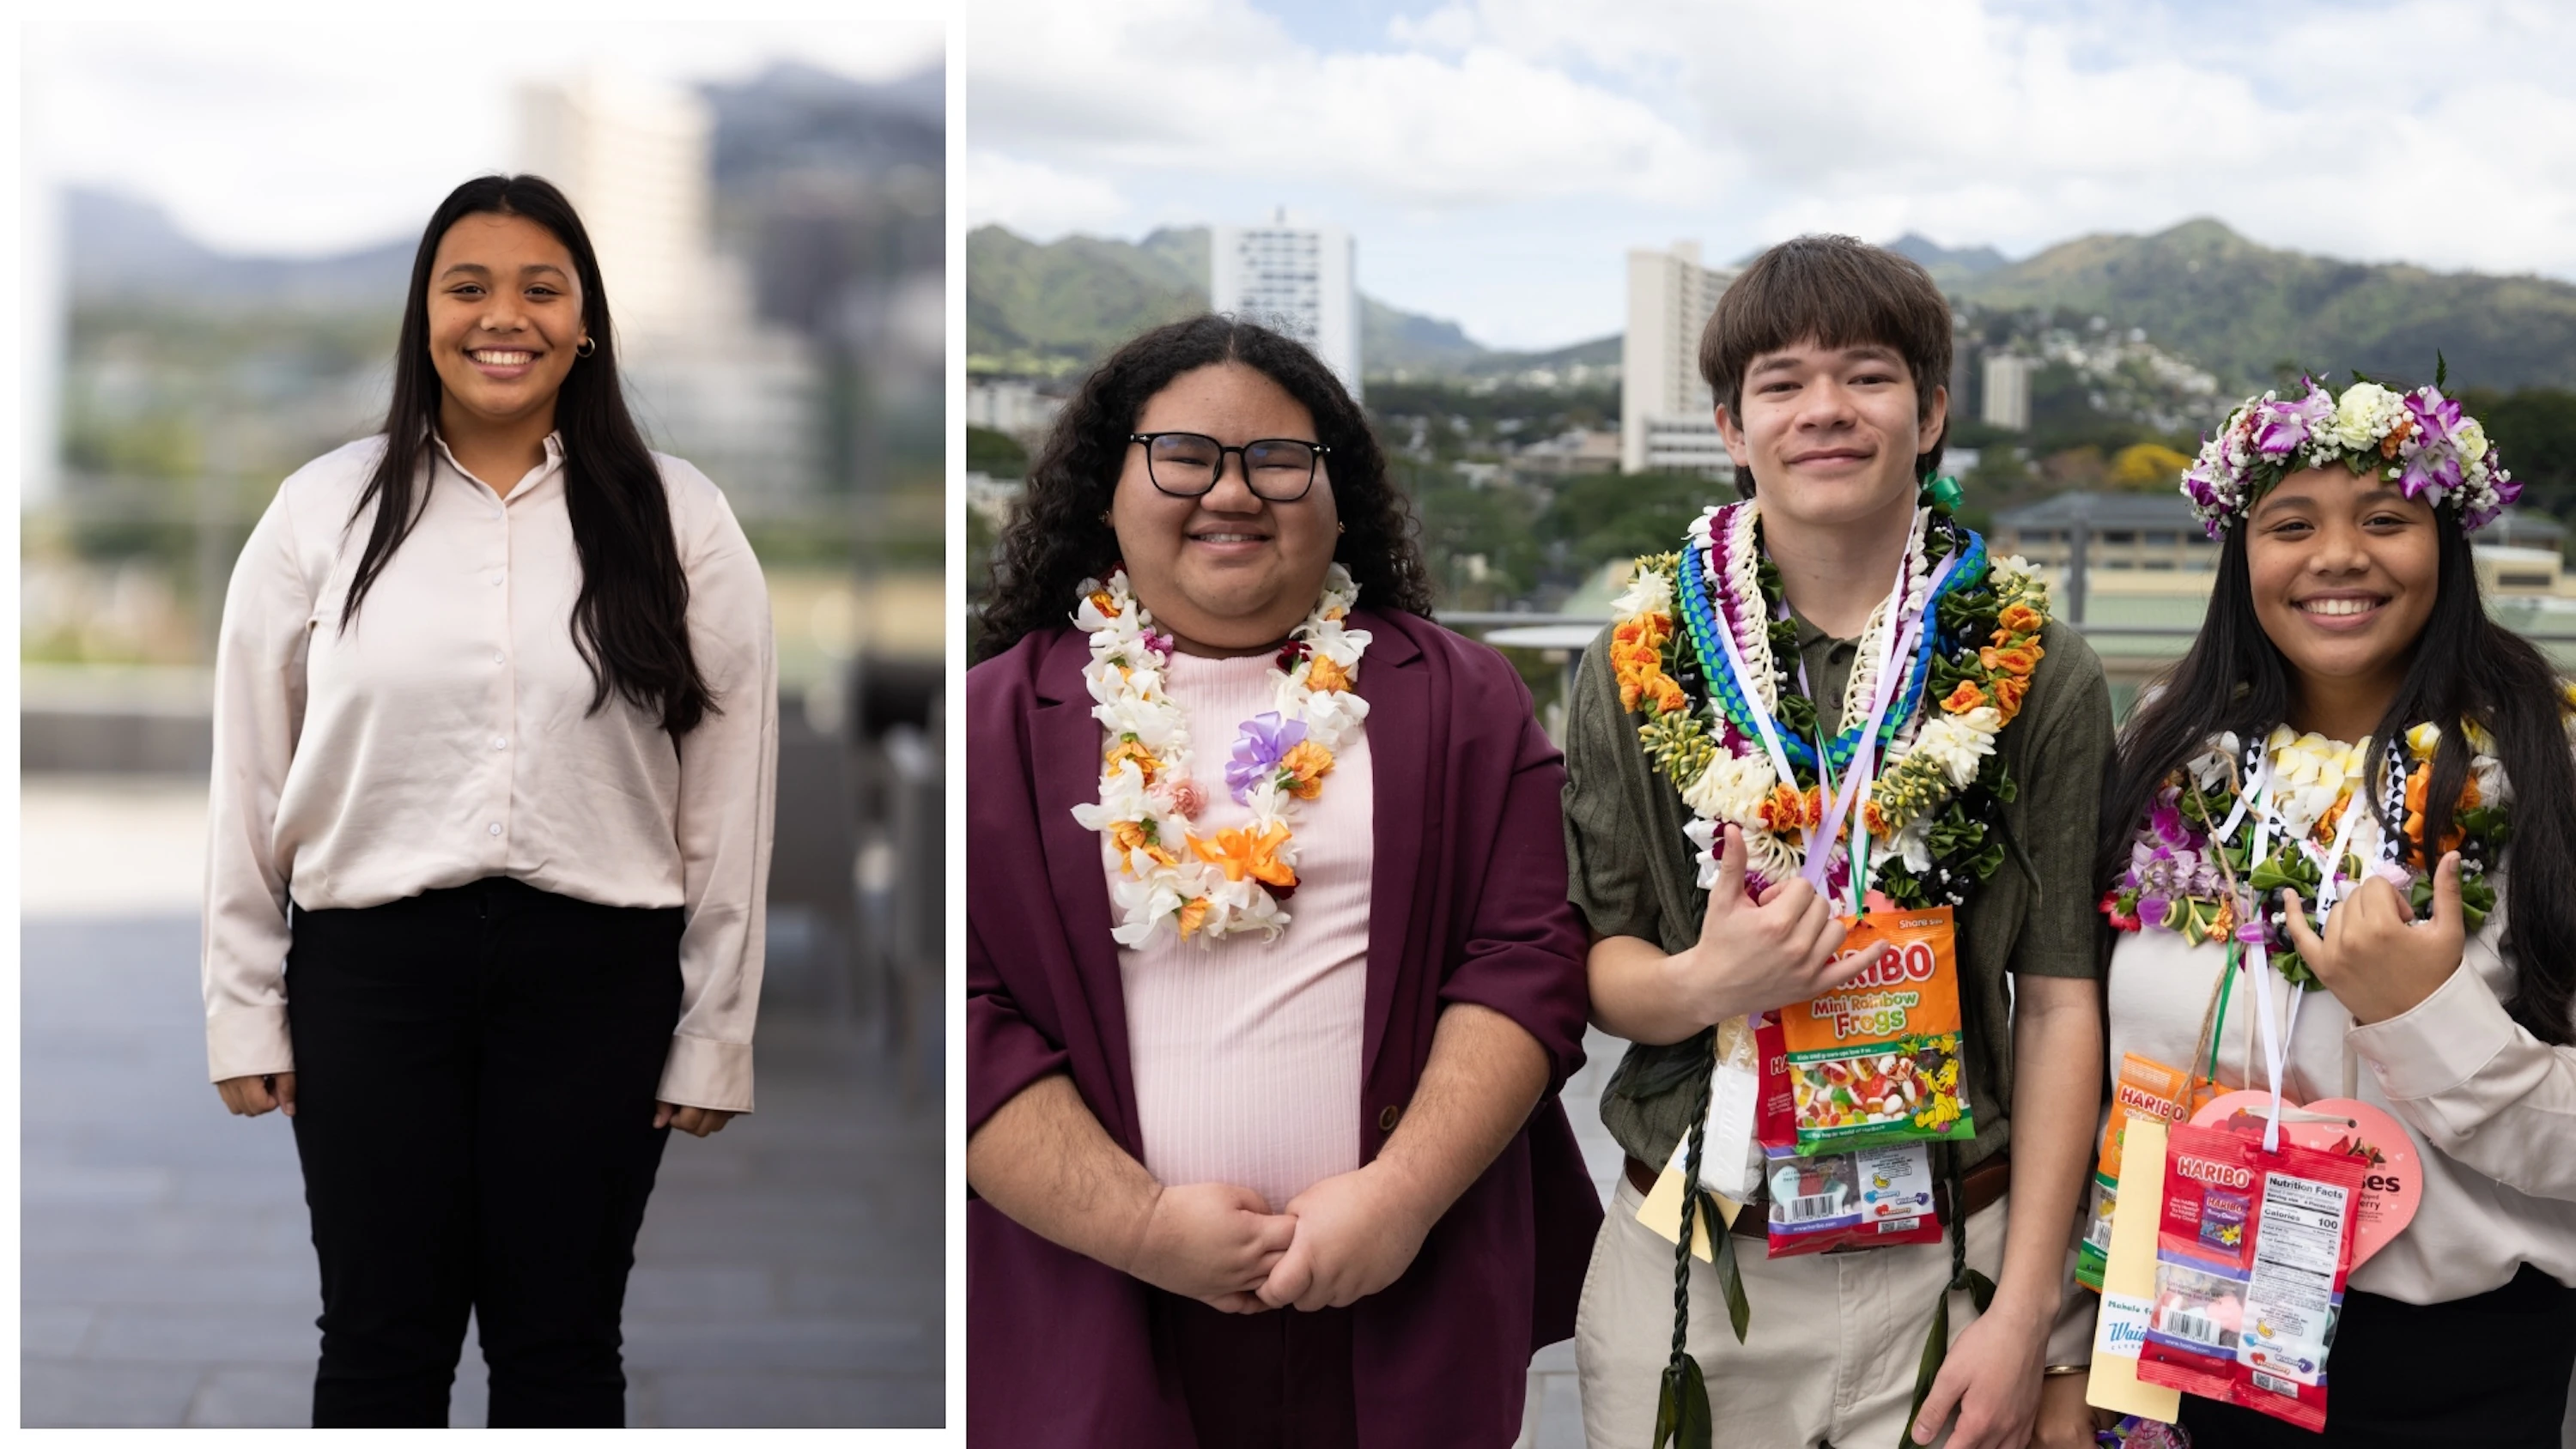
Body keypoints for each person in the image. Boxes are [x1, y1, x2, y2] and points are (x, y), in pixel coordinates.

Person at [201, 173, 778, 1428]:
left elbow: (731, 795)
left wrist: (715, 1026)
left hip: (597, 975)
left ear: (587, 324)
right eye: (467, 286)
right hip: (368, 973)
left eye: (539, 287)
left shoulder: (681, 516)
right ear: (424, 317)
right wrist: (243, 1004)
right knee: (376, 1345)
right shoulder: (322, 509)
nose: (499, 315)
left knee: (564, 1348)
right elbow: (249, 769)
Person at [966, 314, 1601, 1447]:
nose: (1231, 490)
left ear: (1336, 491)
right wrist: (1145, 1225)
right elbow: (963, 1018)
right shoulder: (996, 723)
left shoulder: (1460, 699)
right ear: (1106, 491)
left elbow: (1525, 962)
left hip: (1399, 1285)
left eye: (1277, 459)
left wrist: (1397, 1200)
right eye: (1183, 456)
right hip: (1097, 1295)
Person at [1563, 235, 2111, 1449]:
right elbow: (1602, 967)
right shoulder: (1634, 661)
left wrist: (2026, 1316)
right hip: (1695, 1260)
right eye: (1781, 382)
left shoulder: (2037, 668)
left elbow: (2065, 996)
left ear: (1930, 412)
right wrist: (1707, 982)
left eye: (1866, 376)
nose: (1825, 411)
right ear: (1728, 423)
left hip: (1959, 1259)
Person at [2087, 374, 2576, 1445]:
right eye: (2291, 524)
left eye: (2387, 518)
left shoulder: (2547, 765)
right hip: (2185, 1328)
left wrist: (2429, 1018)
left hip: (2454, 1367)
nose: (2339, 555)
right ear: (2240, 553)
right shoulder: (2168, 755)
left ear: (2447, 544)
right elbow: (2085, 1068)